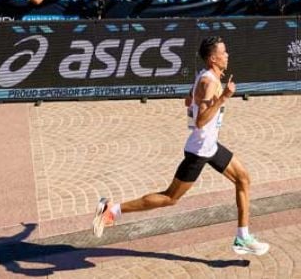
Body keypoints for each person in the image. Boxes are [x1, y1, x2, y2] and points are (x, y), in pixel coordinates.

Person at [92, 37, 270, 256]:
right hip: (199, 151)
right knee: (170, 198)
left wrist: (201, 100)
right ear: (213, 58)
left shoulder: (205, 77)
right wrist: (223, 97)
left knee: (243, 179)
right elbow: (200, 121)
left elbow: (188, 102)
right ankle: (111, 210)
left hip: (210, 146)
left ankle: (242, 237)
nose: (227, 55)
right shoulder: (209, 82)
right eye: (224, 52)